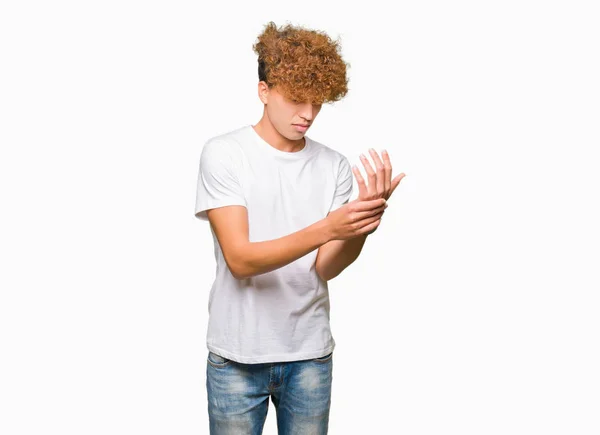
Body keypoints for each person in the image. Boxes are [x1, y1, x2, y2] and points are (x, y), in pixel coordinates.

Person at [194, 21, 405, 435]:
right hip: (237, 355)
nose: (307, 114)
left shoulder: (333, 165)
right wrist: (328, 227)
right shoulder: (225, 155)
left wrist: (361, 223)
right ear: (264, 91)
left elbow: (325, 267)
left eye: (317, 102)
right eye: (295, 100)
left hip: (309, 354)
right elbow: (240, 259)